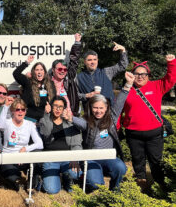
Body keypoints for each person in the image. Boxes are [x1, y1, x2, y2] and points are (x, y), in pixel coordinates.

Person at [65, 72, 135, 191]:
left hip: (109, 157)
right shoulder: (86, 120)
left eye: (101, 108)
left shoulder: (112, 117)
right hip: (92, 158)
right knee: (96, 185)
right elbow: (80, 123)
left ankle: (114, 191)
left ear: (106, 108)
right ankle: (87, 180)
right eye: (95, 108)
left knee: (121, 168)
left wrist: (128, 84)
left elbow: (120, 101)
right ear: (90, 108)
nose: (98, 111)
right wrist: (70, 118)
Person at [123, 54, 176, 188]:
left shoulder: (157, 86)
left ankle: (160, 185)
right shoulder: (127, 90)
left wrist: (171, 63)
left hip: (154, 134)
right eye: (137, 74)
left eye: (143, 74)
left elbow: (171, 79)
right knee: (138, 160)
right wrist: (117, 126)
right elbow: (119, 110)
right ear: (132, 75)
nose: (140, 77)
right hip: (133, 134)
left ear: (148, 75)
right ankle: (142, 184)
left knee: (156, 161)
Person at [0, 98, 43, 191]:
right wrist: (6, 106)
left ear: (26, 111)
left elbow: (40, 144)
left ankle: (32, 184)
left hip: (23, 157)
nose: (20, 112)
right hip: (9, 157)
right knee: (14, 179)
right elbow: (0, 125)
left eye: (23, 109)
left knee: (38, 155)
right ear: (13, 111)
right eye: (17, 109)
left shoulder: (29, 124)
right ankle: (13, 179)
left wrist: (26, 149)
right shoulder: (7, 122)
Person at [39, 96, 82, 194]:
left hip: (67, 158)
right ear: (51, 106)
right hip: (50, 159)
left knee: (75, 174)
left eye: (61, 107)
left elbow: (76, 144)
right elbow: (45, 133)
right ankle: (53, 178)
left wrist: (75, 158)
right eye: (55, 106)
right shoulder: (44, 120)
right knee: (51, 190)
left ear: (64, 109)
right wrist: (46, 114)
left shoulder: (70, 124)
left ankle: (67, 179)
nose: (58, 109)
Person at [77, 42, 128, 106]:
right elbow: (74, 95)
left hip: (108, 111)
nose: (92, 62)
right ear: (85, 62)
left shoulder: (106, 72)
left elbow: (122, 65)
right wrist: (86, 95)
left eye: (95, 59)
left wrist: (123, 51)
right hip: (90, 113)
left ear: (97, 61)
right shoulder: (79, 77)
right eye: (89, 60)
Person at [13, 55, 56, 123]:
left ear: (44, 72)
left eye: (41, 70)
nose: (39, 72)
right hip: (29, 119)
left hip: (45, 119)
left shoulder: (50, 84)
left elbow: (54, 99)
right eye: (37, 70)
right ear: (33, 72)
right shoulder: (28, 82)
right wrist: (27, 62)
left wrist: (50, 108)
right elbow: (16, 74)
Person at [49, 33, 82, 116]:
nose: (62, 71)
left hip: (69, 116)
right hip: (52, 116)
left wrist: (77, 43)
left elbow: (74, 61)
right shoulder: (47, 82)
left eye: (65, 69)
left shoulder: (69, 79)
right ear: (53, 70)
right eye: (60, 69)